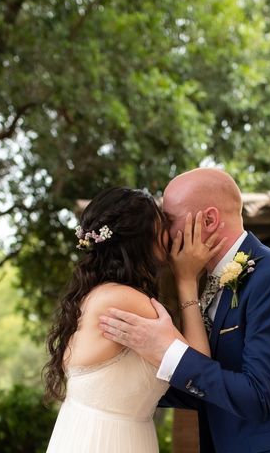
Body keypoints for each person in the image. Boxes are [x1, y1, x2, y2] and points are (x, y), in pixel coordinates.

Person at [99, 168, 270, 452]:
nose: (163, 234)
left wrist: (166, 349)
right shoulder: (208, 280)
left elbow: (258, 397)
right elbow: (206, 389)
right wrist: (118, 386)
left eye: (169, 220)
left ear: (209, 219)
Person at [44, 186, 225, 453]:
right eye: (162, 224)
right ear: (144, 237)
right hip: (108, 441)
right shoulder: (126, 301)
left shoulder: (99, 294)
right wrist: (187, 280)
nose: (169, 234)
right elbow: (198, 366)